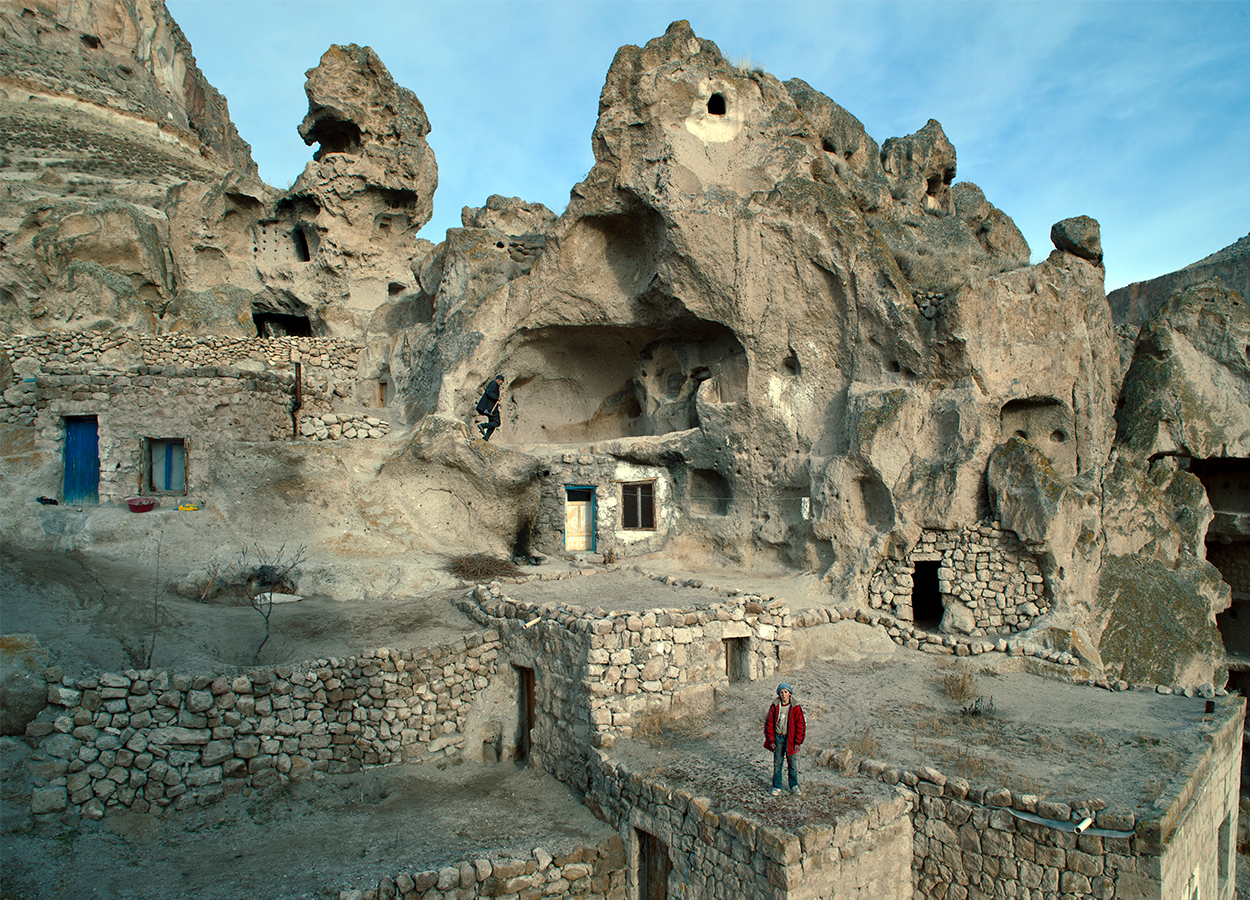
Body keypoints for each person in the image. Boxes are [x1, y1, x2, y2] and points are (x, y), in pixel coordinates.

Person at [764, 682, 805, 795]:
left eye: (786, 692)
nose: (783, 694)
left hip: (790, 739)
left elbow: (800, 725)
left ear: (790, 693)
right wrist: (771, 740)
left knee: (792, 764)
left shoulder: (795, 707)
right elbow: (769, 723)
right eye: (781, 692)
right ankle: (777, 786)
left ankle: (794, 785)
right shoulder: (775, 706)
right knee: (777, 763)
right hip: (778, 737)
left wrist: (798, 742)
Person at [475, 375, 504, 441]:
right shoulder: (493, 383)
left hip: (491, 407)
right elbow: (489, 392)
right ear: (499, 380)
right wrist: (497, 397)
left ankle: (486, 438)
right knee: (497, 422)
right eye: (501, 382)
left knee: (493, 423)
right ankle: (483, 426)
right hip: (490, 408)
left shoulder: (495, 385)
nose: (501, 384)